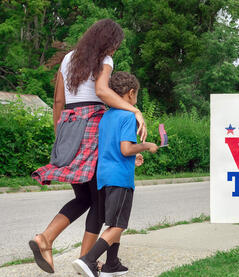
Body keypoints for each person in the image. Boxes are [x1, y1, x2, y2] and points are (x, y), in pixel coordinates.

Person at [29, 19, 147, 274]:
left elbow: (59, 100)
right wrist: (134, 109)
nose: (115, 50)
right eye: (115, 44)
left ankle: (47, 239)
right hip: (92, 126)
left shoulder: (69, 58)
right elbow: (102, 91)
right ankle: (86, 260)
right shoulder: (104, 58)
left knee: (83, 197)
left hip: (67, 124)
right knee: (98, 201)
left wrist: (60, 135)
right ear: (108, 42)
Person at [73, 71, 158, 277]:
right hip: (120, 179)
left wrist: (133, 157)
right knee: (119, 225)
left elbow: (115, 149)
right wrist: (145, 146)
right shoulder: (128, 115)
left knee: (113, 222)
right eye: (136, 95)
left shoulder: (107, 116)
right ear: (130, 93)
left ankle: (112, 264)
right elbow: (126, 149)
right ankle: (88, 260)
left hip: (103, 177)